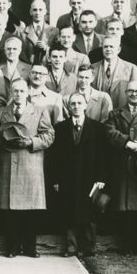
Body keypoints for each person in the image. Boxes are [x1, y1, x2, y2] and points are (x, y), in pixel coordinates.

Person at [0, 78, 55, 258]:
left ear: (28, 92)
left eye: (22, 91)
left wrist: (31, 141)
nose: (18, 94)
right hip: (8, 164)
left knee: (30, 210)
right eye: (15, 91)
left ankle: (30, 248)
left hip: (30, 164)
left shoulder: (39, 111)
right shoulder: (1, 113)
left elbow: (50, 135)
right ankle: (12, 247)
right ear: (11, 93)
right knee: (10, 210)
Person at [103, 81, 137, 255]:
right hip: (124, 166)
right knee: (127, 208)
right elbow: (109, 132)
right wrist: (127, 143)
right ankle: (128, 246)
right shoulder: (115, 113)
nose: (134, 94)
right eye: (131, 91)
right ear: (126, 93)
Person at [49, 92, 107, 257]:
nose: (76, 106)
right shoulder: (60, 128)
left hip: (89, 177)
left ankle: (88, 246)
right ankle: (71, 246)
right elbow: (54, 157)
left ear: (86, 105)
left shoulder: (97, 128)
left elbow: (102, 155)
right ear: (68, 106)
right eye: (73, 103)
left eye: (79, 103)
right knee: (69, 211)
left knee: (88, 212)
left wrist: (101, 178)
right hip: (67, 177)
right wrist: (55, 180)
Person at [91, 35, 137, 112]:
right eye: (105, 47)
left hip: (122, 113)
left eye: (111, 46)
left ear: (118, 49)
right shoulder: (93, 68)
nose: (108, 49)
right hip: (98, 114)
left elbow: (136, 95)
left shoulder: (131, 68)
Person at [0, 36, 32, 100]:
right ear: (4, 51)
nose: (11, 51)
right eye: (8, 49)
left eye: (14, 49)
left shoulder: (29, 68)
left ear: (20, 50)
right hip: (0, 106)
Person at [21, 0, 57, 65]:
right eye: (35, 10)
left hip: (48, 69)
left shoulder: (54, 31)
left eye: (40, 10)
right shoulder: (23, 32)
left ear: (45, 12)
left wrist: (46, 48)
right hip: (29, 69)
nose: (38, 12)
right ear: (30, 12)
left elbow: (58, 52)